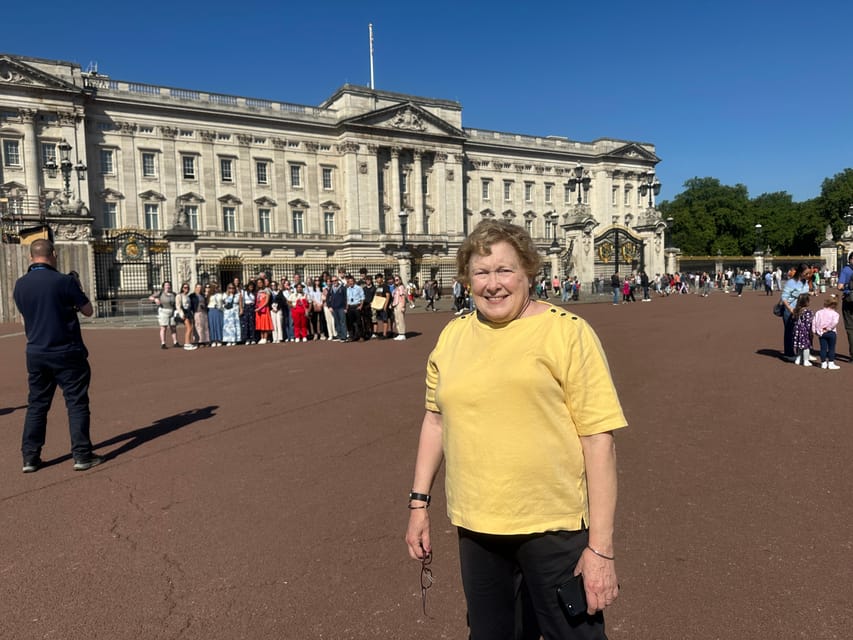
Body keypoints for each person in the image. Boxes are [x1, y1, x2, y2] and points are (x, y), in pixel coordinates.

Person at [404, 220, 626, 640]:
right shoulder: (452, 336)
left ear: (528, 271)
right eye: (481, 273)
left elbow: (599, 442)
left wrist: (600, 549)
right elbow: (435, 420)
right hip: (478, 525)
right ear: (467, 280)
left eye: (504, 270)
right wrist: (419, 504)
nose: (493, 284)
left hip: (553, 526)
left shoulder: (567, 332)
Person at [13, 239, 103, 473]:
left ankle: (30, 457)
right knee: (76, 402)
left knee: (37, 405)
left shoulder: (20, 285)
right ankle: (82, 454)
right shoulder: (65, 281)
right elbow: (88, 311)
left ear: (31, 257)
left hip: (36, 351)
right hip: (66, 350)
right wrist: (76, 292)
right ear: (53, 254)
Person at [780, 264, 811, 360]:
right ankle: (789, 353)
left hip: (801, 310)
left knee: (802, 331)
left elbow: (804, 293)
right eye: (806, 273)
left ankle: (802, 352)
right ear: (800, 272)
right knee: (790, 331)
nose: (808, 275)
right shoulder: (791, 282)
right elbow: (784, 298)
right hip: (790, 309)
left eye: (809, 273)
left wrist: (810, 293)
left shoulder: (805, 282)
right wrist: (791, 310)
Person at [812, 295, 841, 370]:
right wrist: (828, 328)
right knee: (831, 348)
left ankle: (823, 363)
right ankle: (831, 363)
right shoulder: (835, 314)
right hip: (831, 332)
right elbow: (834, 322)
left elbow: (814, 322)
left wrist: (814, 330)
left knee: (823, 348)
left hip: (821, 333)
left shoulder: (819, 312)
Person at [148, 280, 179, 348]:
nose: (168, 286)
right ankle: (163, 343)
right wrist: (155, 299)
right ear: (163, 286)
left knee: (173, 327)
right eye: (166, 285)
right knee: (163, 327)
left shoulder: (173, 294)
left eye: (168, 285)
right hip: (163, 311)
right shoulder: (160, 293)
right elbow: (150, 297)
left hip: (172, 311)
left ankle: (175, 342)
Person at [837, 251, 853, 362]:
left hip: (849, 299)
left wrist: (846, 288)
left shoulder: (846, 270)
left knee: (850, 328)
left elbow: (840, 286)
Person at [791, 293, 814, 366]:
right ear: (806, 302)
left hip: (797, 330)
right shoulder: (807, 312)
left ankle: (798, 359)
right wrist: (811, 331)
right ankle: (806, 360)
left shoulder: (796, 310)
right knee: (806, 347)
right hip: (804, 331)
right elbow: (808, 323)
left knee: (800, 346)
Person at [176, 282, 197, 350]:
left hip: (188, 312)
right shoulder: (179, 295)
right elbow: (178, 306)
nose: (186, 289)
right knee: (189, 328)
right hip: (184, 312)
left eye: (187, 287)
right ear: (182, 288)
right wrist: (181, 314)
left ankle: (188, 342)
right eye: (185, 287)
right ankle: (186, 344)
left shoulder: (187, 296)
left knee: (190, 328)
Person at [207, 282, 225, 347]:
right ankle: (213, 340)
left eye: (217, 287)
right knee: (212, 325)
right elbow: (207, 302)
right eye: (214, 287)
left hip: (218, 310)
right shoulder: (209, 295)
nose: (216, 288)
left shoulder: (221, 295)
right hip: (211, 310)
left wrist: (222, 307)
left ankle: (219, 339)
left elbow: (224, 302)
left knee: (219, 325)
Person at [391, 275, 408, 340]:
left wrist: (403, 306)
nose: (396, 281)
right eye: (395, 280)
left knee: (401, 319)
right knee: (397, 320)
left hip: (400, 304)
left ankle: (402, 334)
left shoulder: (401, 287)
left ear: (400, 280)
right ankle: (400, 333)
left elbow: (403, 297)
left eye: (397, 280)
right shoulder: (395, 288)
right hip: (395, 304)